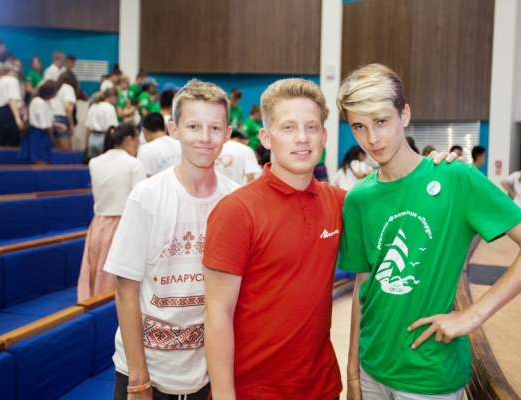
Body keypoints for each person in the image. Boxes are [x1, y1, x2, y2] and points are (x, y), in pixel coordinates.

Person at [336, 63, 521, 400]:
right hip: (371, 368)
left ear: (404, 115)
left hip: (429, 373)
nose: (372, 138)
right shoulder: (359, 198)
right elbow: (363, 285)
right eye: (359, 126)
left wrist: (473, 315)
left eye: (381, 121)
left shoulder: (456, 178)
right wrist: (353, 370)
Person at [203, 78, 345, 399]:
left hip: (322, 387)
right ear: (266, 138)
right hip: (253, 390)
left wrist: (441, 168)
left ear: (324, 136)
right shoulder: (237, 210)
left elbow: (396, 197)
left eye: (311, 127)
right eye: (288, 127)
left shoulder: (339, 202)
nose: (302, 138)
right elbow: (217, 312)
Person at [103, 79, 238, 399]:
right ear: (174, 130)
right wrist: (139, 378)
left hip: (209, 371)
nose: (205, 137)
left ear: (228, 134)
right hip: (148, 369)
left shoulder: (236, 200)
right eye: (194, 126)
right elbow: (125, 289)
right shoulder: (147, 196)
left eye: (215, 128)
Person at [77, 123, 145, 302]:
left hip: (98, 224)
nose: (137, 147)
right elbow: (140, 202)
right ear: (129, 139)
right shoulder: (133, 164)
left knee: (97, 271)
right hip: (123, 224)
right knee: (118, 279)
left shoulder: (95, 162)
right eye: (137, 141)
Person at [19, 80, 61, 164]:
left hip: (39, 134)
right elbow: (44, 125)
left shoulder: (41, 101)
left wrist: (56, 125)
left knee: (41, 160)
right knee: (40, 160)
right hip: (39, 135)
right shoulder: (39, 102)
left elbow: (44, 121)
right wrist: (52, 138)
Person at [137, 112, 181, 177]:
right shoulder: (179, 143)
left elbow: (145, 177)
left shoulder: (145, 150)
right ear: (165, 128)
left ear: (144, 131)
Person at [85, 87, 119, 158]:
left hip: (92, 138)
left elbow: (87, 128)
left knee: (93, 161)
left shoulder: (93, 107)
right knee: (105, 162)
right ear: (113, 97)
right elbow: (111, 129)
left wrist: (86, 144)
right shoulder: (110, 108)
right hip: (104, 139)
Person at [50, 71, 78, 150]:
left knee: (56, 149)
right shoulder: (68, 88)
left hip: (52, 120)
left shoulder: (56, 88)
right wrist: (71, 124)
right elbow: (67, 107)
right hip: (62, 120)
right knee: (65, 150)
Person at [0, 61, 24, 146]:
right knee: (12, 142)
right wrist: (17, 118)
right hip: (7, 114)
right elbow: (12, 100)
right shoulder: (12, 80)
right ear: (12, 71)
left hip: (0, 113)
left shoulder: (0, 81)